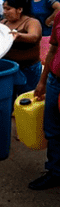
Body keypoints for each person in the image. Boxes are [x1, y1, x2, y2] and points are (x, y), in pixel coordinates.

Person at [31, 10, 60, 190]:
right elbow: (53, 49)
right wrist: (42, 81)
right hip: (56, 81)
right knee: (53, 129)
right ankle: (55, 172)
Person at [1, 0, 42, 96]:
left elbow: (34, 36)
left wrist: (19, 36)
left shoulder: (31, 22)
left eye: (8, 9)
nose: (4, 12)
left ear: (19, 9)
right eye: (4, 8)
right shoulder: (3, 23)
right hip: (9, 69)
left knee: (27, 98)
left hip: (29, 69)